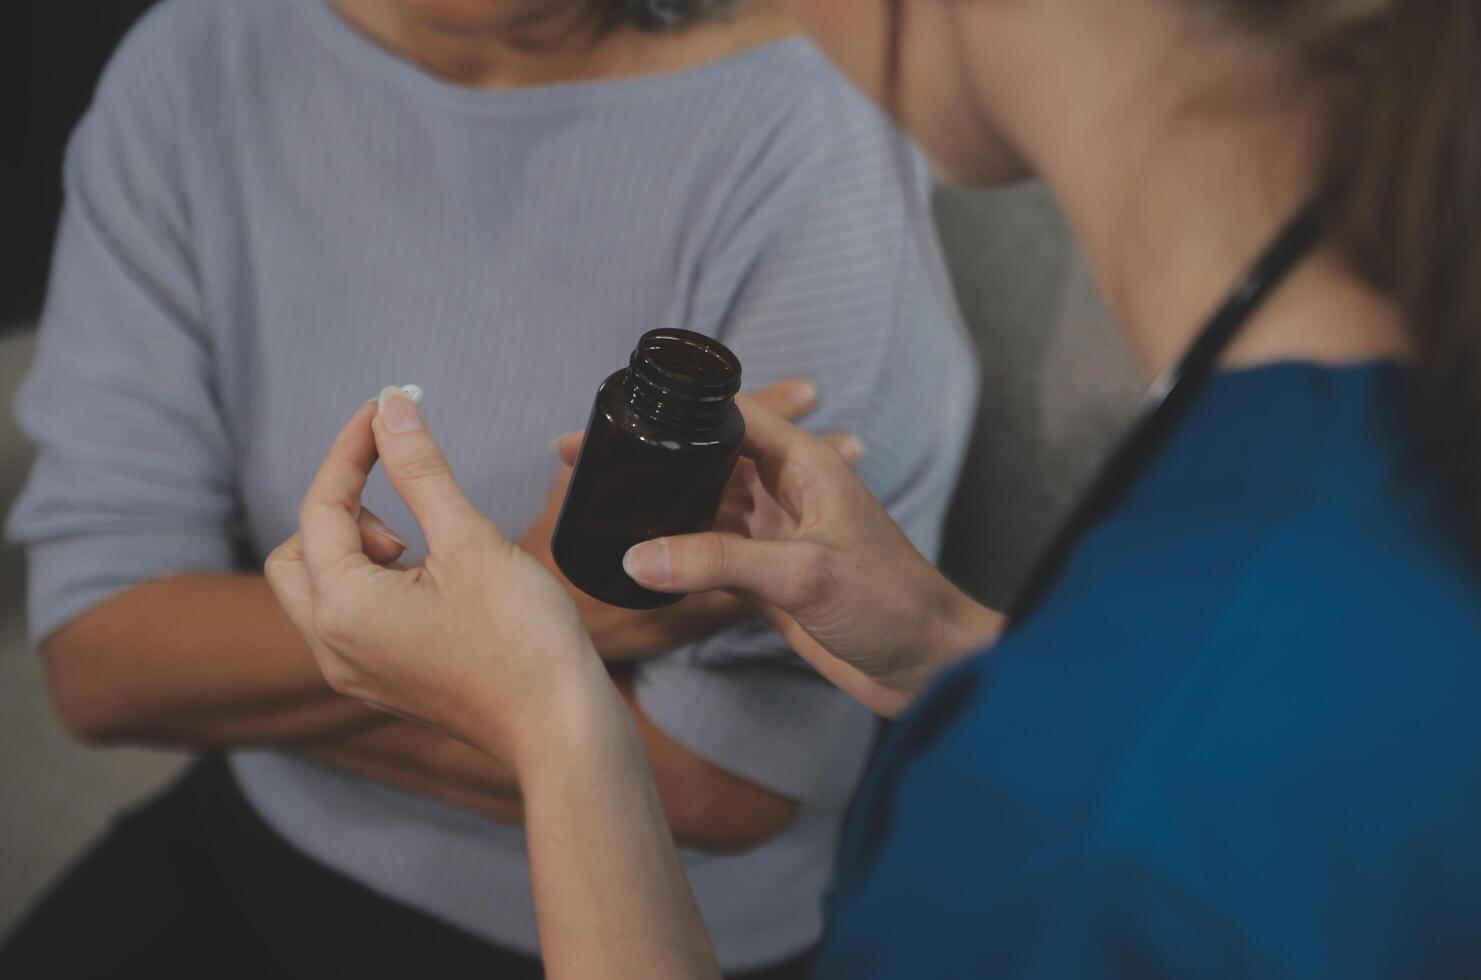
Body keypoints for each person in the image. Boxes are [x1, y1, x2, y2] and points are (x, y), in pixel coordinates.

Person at [255, 0, 1481, 975]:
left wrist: (548, 716)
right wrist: (973, 659)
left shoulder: (1081, 835)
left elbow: (1156, 806)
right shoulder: (1435, 424)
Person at [0, 0, 977, 975]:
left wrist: (256, 681)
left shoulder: (812, 143)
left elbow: (719, 784)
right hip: (261, 832)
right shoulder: (200, 56)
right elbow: (100, 659)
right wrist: (558, 609)